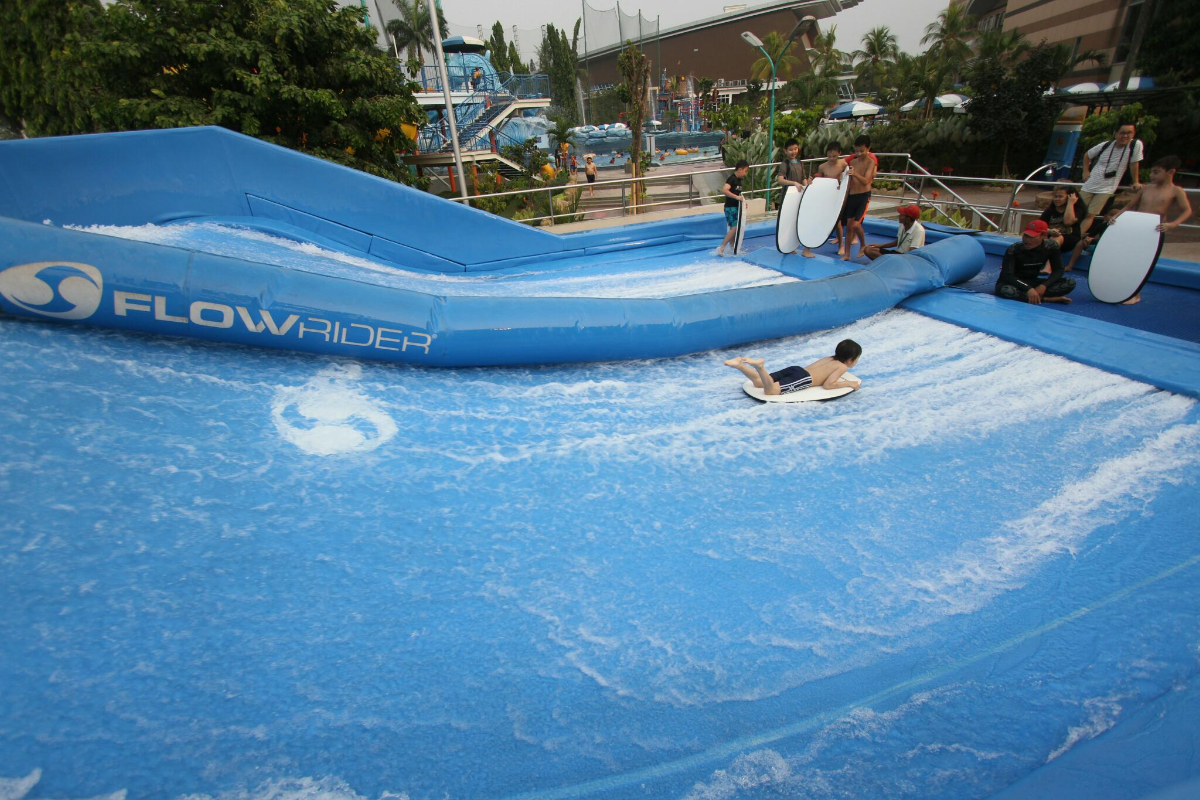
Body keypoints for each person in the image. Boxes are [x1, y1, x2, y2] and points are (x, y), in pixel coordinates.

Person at [1109, 155, 1194, 305]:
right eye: (1151, 172)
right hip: (1137, 226)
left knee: (1143, 262)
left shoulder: (1176, 191)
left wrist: (1173, 224)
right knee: (1128, 259)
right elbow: (1129, 206)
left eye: (1156, 172)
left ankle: (1135, 294)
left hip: (1154, 229)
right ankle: (1122, 288)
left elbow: (1187, 211)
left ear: (1170, 172)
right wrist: (1117, 217)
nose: (1151, 175)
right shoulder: (1146, 188)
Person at [724, 339, 863, 396]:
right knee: (770, 390)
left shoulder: (829, 358)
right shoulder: (842, 367)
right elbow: (828, 384)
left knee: (759, 383)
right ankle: (760, 367)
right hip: (804, 378)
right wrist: (850, 384)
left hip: (796, 369)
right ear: (850, 360)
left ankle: (739, 365)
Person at [1078, 122, 1144, 235]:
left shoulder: (1135, 145)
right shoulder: (1106, 145)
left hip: (1107, 187)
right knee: (1077, 211)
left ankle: (1077, 236)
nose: (1125, 136)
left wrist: (1136, 181)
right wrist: (1085, 171)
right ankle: (1071, 234)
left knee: (1090, 214)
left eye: (1129, 133)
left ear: (1133, 134)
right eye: (1122, 133)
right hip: (1091, 182)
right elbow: (1087, 155)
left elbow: (1134, 163)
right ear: (1116, 133)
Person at [995, 220, 1075, 305]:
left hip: (1033, 281)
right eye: (1025, 235)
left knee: (1070, 283)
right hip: (1014, 283)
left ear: (1044, 236)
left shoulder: (1051, 246)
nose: (1026, 240)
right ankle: (1046, 299)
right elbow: (1007, 275)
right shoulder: (1014, 249)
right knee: (1006, 290)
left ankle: (1034, 296)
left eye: (1031, 237)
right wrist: (1028, 289)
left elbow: (1058, 270)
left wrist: (1044, 285)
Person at [840, 134, 878, 261]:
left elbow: (866, 181)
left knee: (856, 225)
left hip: (863, 196)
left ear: (868, 149)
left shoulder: (870, 163)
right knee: (849, 226)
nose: (859, 153)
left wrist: (855, 173)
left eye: (862, 150)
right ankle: (847, 254)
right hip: (852, 195)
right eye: (856, 151)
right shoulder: (853, 162)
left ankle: (863, 245)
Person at [815, 142, 850, 257]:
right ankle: (833, 238)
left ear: (839, 154)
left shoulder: (843, 165)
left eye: (834, 156)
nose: (831, 159)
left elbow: (847, 179)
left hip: (838, 196)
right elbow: (819, 180)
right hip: (826, 195)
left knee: (838, 221)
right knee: (827, 219)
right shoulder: (822, 167)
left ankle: (841, 244)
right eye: (829, 156)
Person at [1040, 181, 1088, 262]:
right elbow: (1039, 226)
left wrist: (1070, 204)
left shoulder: (1077, 209)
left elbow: (1068, 222)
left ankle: (1050, 266)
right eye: (1055, 197)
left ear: (1069, 197)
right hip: (1051, 237)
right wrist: (1049, 231)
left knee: (1055, 238)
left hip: (1070, 239)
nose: (1057, 199)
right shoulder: (1050, 211)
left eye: (1060, 197)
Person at [716, 160, 750, 256]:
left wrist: (743, 202)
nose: (745, 174)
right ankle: (721, 247)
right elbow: (725, 190)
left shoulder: (739, 180)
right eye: (745, 171)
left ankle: (732, 248)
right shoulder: (732, 179)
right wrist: (736, 197)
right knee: (734, 228)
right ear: (740, 169)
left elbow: (738, 194)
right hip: (730, 207)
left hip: (735, 207)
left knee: (733, 228)